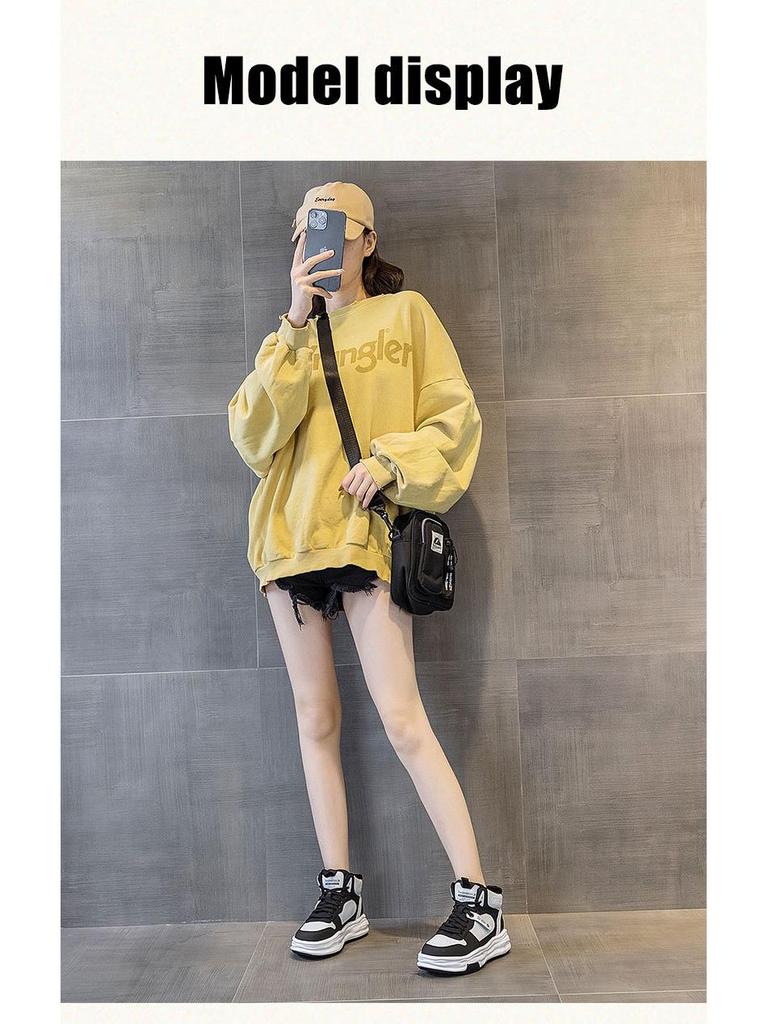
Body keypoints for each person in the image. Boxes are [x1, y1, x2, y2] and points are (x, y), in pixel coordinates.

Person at [228, 181, 509, 976]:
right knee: (315, 719)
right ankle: (340, 893)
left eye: (329, 227)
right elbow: (253, 437)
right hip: (288, 542)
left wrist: (390, 462)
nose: (313, 241)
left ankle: (479, 901)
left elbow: (453, 418)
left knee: (402, 718)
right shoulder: (288, 337)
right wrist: (294, 320)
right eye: (301, 231)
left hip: (364, 534)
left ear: (366, 238)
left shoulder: (405, 315)